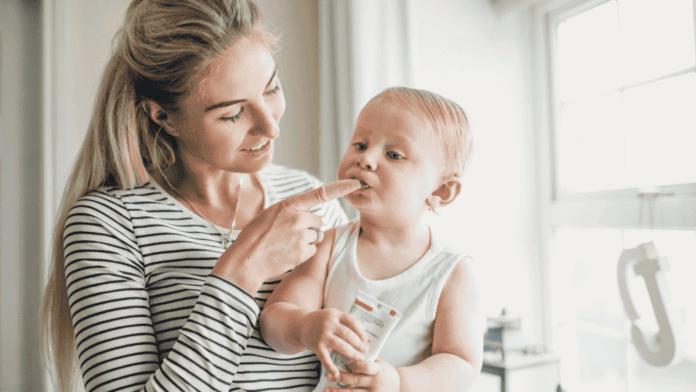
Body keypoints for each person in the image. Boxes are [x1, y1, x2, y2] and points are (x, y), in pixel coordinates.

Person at [40, 1, 361, 391]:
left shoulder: (310, 198)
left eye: (271, 88)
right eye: (232, 114)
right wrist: (243, 271)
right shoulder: (108, 224)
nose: (270, 127)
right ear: (164, 117)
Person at [259, 87, 483, 391]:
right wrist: (304, 326)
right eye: (360, 144)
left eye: (393, 154)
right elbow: (272, 321)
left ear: (441, 191)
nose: (365, 159)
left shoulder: (452, 271)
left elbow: (461, 363)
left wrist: (398, 382)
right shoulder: (328, 246)